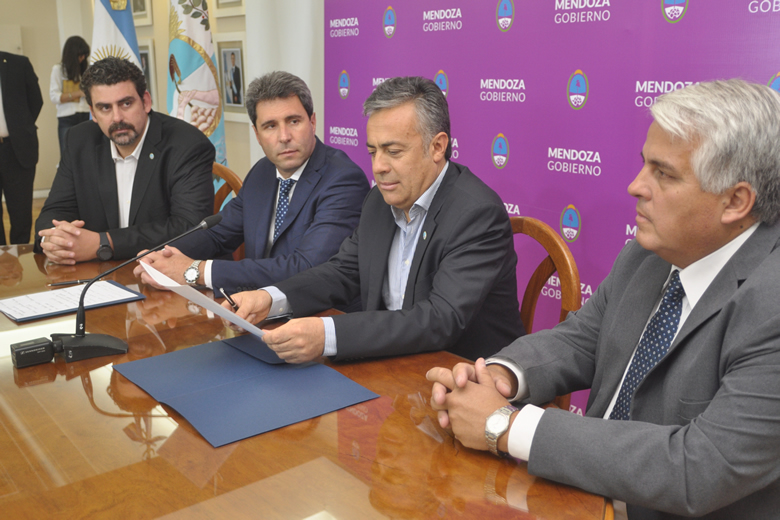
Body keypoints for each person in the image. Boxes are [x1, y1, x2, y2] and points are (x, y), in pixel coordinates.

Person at [427, 79, 780, 520]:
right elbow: (581, 338)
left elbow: (701, 467)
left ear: (736, 201)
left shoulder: (770, 302)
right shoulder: (647, 253)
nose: (636, 186)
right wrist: (499, 377)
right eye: (644, 164)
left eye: (664, 174)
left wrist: (507, 425)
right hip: (577, 492)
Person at [224, 76, 524, 363]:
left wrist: (327, 334)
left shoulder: (476, 214)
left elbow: (439, 319)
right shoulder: (379, 200)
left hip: (465, 374)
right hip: (390, 363)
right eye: (372, 151)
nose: (378, 166)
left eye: (393, 151)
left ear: (437, 147)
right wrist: (270, 298)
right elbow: (343, 272)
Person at [133, 71, 369, 294]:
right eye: (270, 126)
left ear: (313, 122)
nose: (284, 136)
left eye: (294, 121)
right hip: (257, 304)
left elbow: (306, 267)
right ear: (257, 134)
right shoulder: (262, 172)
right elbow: (217, 234)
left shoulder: (343, 180)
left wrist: (196, 271)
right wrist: (163, 257)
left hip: (318, 312)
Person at [34, 57, 214, 263]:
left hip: (166, 271)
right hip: (97, 273)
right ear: (93, 113)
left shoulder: (187, 144)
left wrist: (104, 243)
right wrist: (53, 240)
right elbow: (54, 211)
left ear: (146, 102)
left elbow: (189, 227)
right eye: (105, 108)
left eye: (126, 104)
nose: (117, 117)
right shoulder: (80, 140)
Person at [0, 50, 43, 245]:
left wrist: (20, 128)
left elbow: (36, 100)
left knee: (21, 214)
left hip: (17, 150)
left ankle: (21, 258)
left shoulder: (18, 64)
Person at [50, 36, 91, 158]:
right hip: (67, 117)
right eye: (80, 55)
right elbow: (54, 96)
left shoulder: (87, 69)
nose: (82, 58)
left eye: (84, 56)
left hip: (85, 114)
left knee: (87, 153)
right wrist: (78, 93)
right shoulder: (58, 69)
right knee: (67, 155)